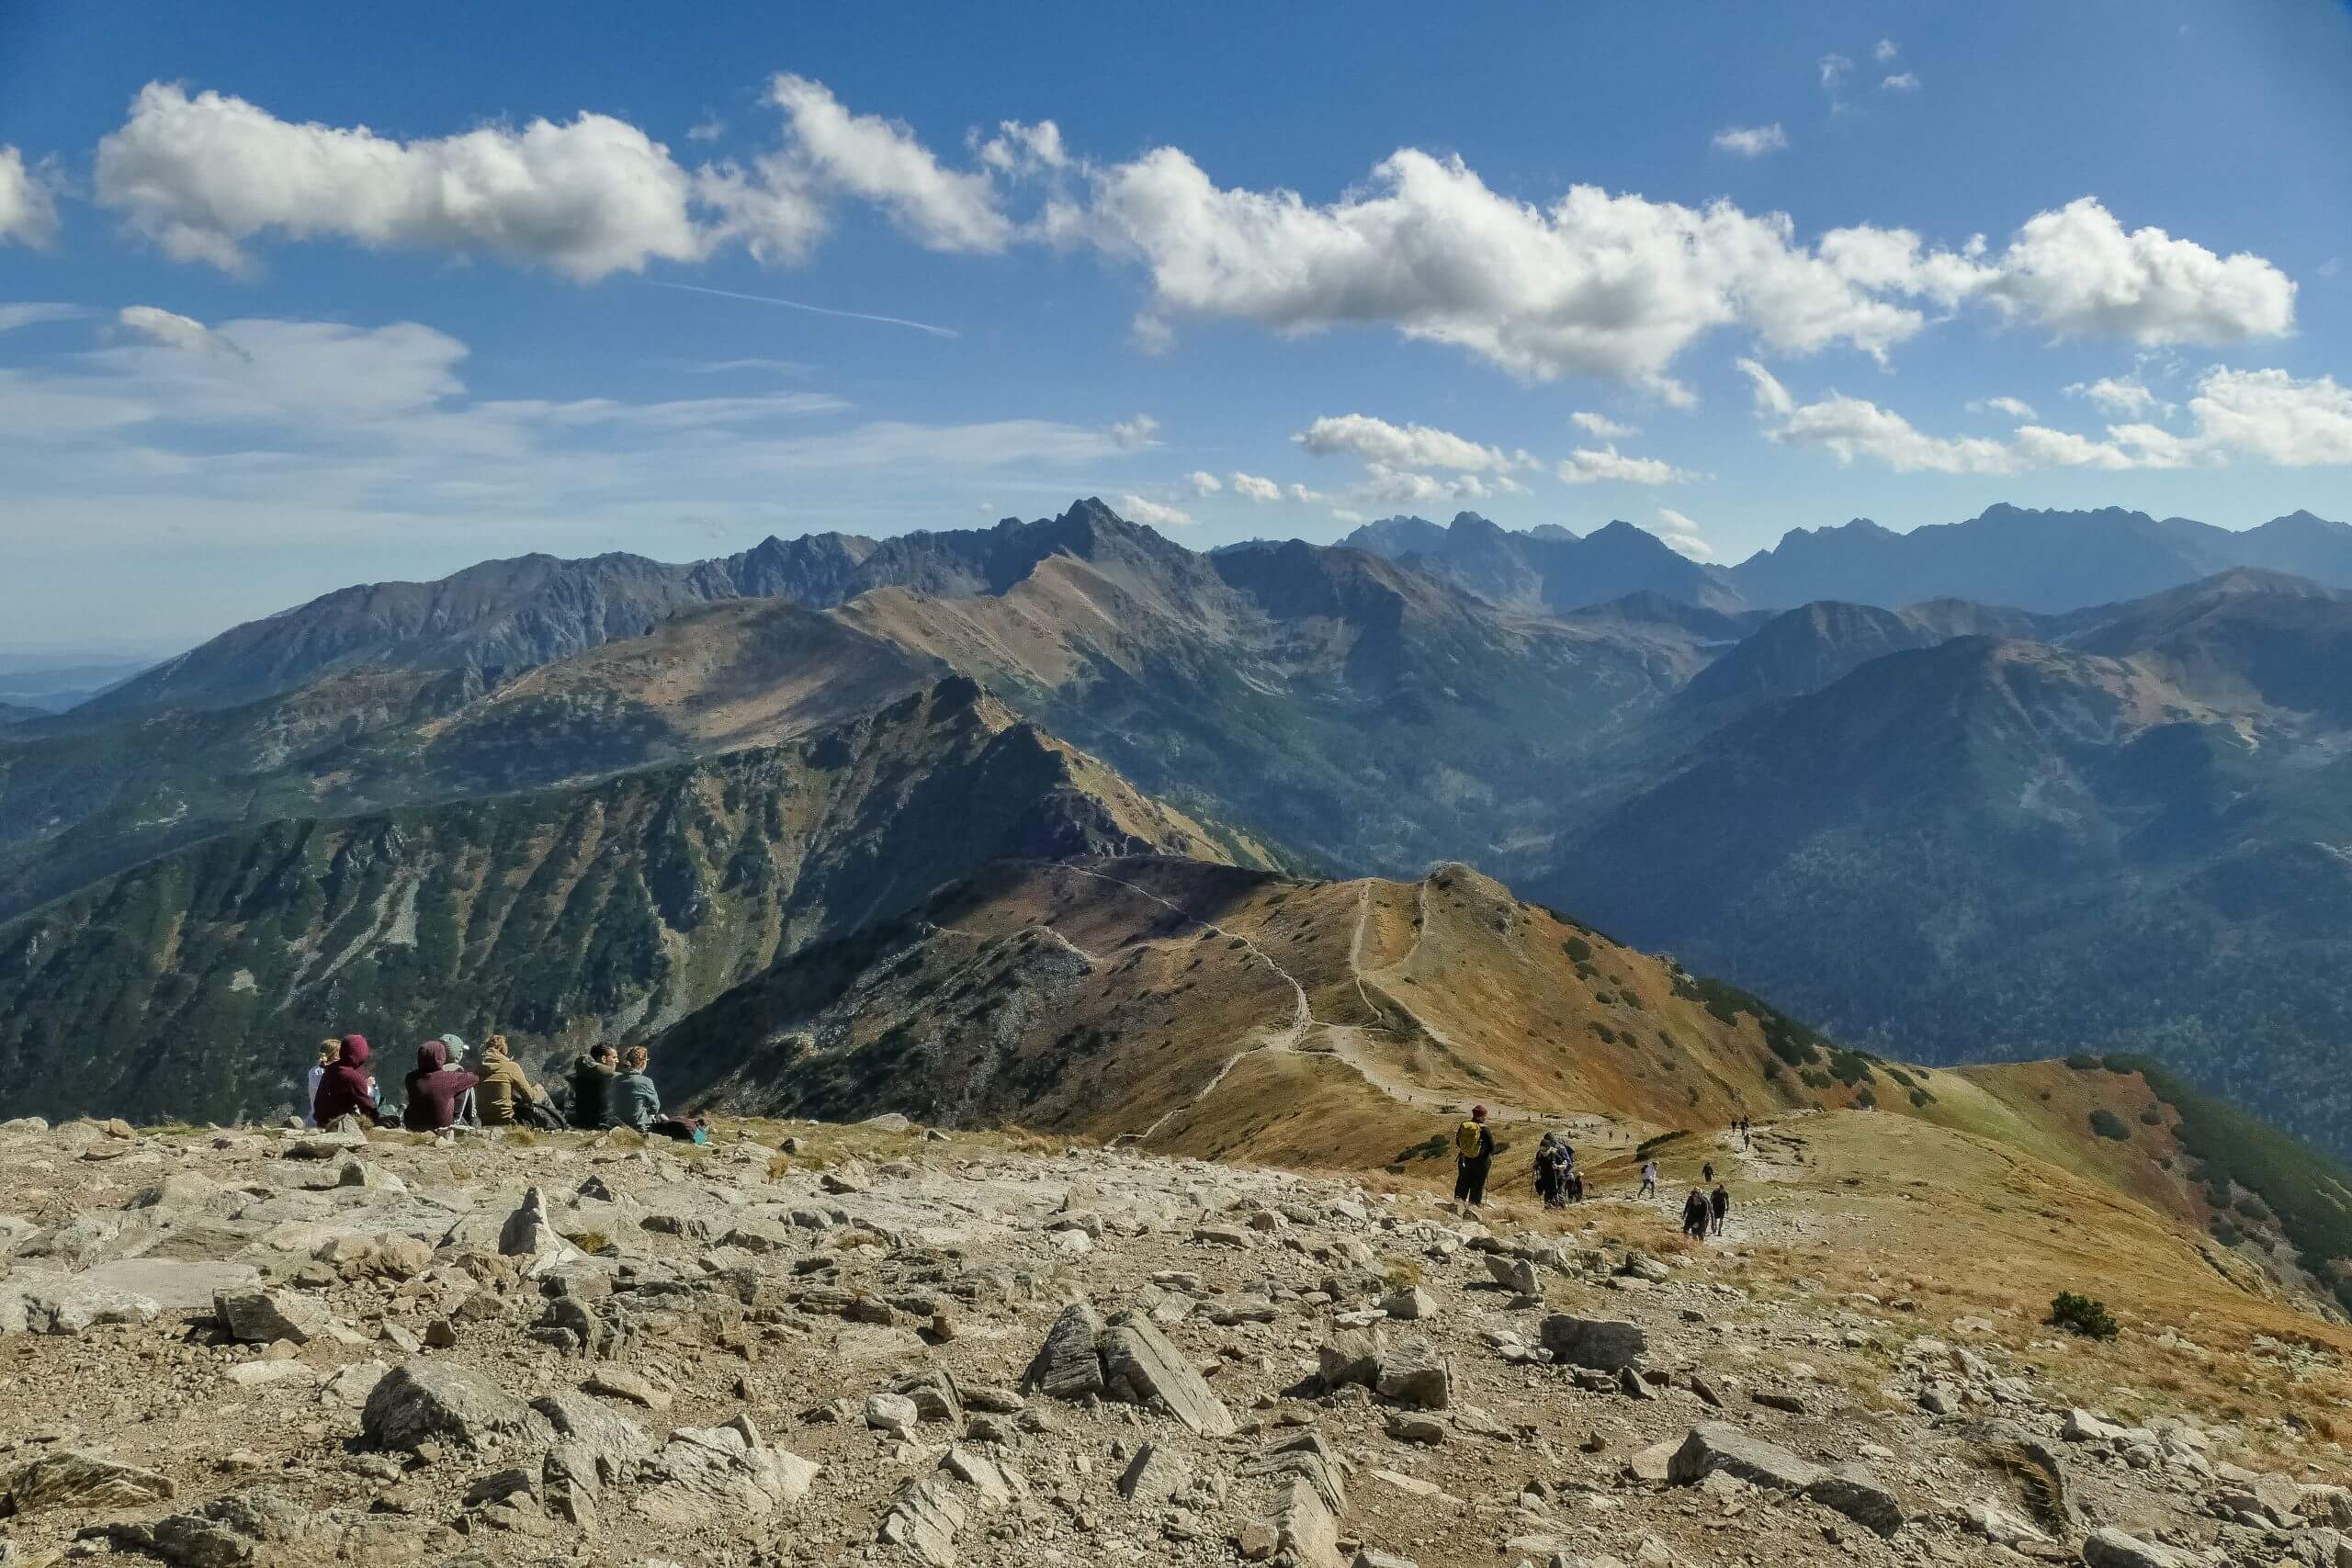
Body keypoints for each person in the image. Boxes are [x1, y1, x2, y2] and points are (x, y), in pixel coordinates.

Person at [401, 1037, 481, 1133]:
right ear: (441, 1057)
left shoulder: (411, 1077)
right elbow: (474, 1078)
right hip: (440, 1127)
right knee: (466, 1086)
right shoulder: (449, 1078)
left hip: (413, 1125)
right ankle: (466, 1121)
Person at [311, 1034, 388, 1128]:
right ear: (361, 1053)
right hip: (340, 1124)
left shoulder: (332, 1068)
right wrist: (378, 1122)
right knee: (392, 1120)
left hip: (322, 1121)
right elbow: (367, 1108)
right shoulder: (353, 1077)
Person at [474, 1034, 543, 1127]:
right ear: (504, 1049)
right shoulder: (511, 1067)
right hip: (506, 1119)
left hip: (484, 1120)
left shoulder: (477, 1070)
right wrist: (538, 1089)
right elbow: (529, 1098)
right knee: (541, 1092)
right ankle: (560, 1123)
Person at [1453, 1105, 1496, 1213]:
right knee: (1477, 1184)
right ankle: (1473, 1208)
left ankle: (1457, 1205)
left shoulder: (1465, 1126)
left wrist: (1467, 1151)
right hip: (1481, 1162)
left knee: (1463, 1181)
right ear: (1481, 1117)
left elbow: (1458, 1141)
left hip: (1465, 1159)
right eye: (1485, 1116)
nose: (1486, 1118)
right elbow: (1492, 1146)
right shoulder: (1485, 1129)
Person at [612, 1045, 662, 1134]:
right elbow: (655, 1106)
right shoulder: (646, 1081)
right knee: (662, 1117)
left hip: (617, 1124)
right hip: (639, 1125)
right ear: (643, 1062)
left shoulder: (616, 1079)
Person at [568, 1044, 619, 1130]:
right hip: (603, 1123)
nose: (617, 1061)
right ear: (603, 1059)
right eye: (614, 1057)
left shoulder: (580, 1076)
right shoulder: (609, 1078)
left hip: (582, 1121)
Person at [303, 1038, 340, 1128]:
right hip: (323, 1122)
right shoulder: (319, 1072)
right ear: (336, 1055)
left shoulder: (314, 1071)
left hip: (317, 1120)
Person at [1534, 1133, 1567, 1210]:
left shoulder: (1554, 1153)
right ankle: (1549, 1212)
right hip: (1546, 1179)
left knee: (1559, 1196)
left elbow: (1565, 1164)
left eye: (1544, 1149)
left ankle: (1562, 1212)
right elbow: (1536, 1162)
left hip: (1557, 1179)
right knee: (1548, 1197)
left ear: (1548, 1147)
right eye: (1541, 1149)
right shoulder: (1539, 1154)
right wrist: (1535, 1166)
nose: (1542, 1151)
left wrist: (1557, 1167)